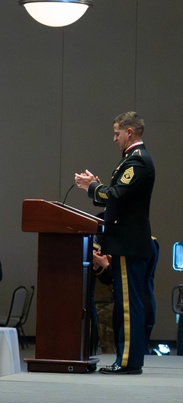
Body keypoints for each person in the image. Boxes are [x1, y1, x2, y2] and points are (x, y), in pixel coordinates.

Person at [75, 111, 156, 375]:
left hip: (128, 243)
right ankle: (127, 359)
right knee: (127, 304)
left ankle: (128, 361)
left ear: (129, 132)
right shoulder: (131, 161)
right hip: (126, 242)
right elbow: (116, 196)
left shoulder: (137, 162)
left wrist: (91, 187)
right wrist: (97, 186)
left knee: (128, 306)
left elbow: (117, 196)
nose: (114, 138)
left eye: (117, 133)